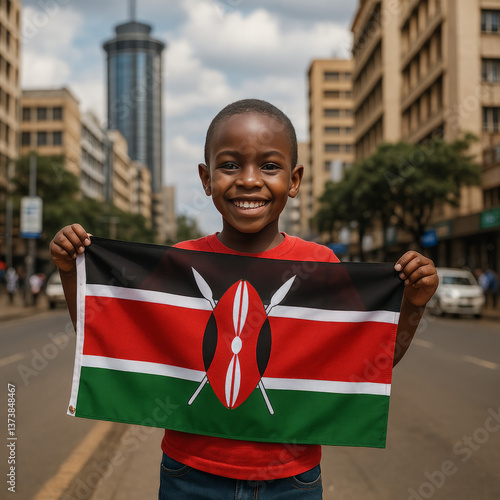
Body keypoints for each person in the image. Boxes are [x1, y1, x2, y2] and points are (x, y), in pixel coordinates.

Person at [50, 99, 438, 499]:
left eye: (269, 166)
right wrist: (70, 271)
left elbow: (373, 359)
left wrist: (412, 303)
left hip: (292, 482)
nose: (249, 180)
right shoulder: (181, 262)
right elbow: (105, 335)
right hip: (189, 476)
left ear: (295, 178)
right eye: (230, 165)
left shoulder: (321, 264)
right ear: (206, 178)